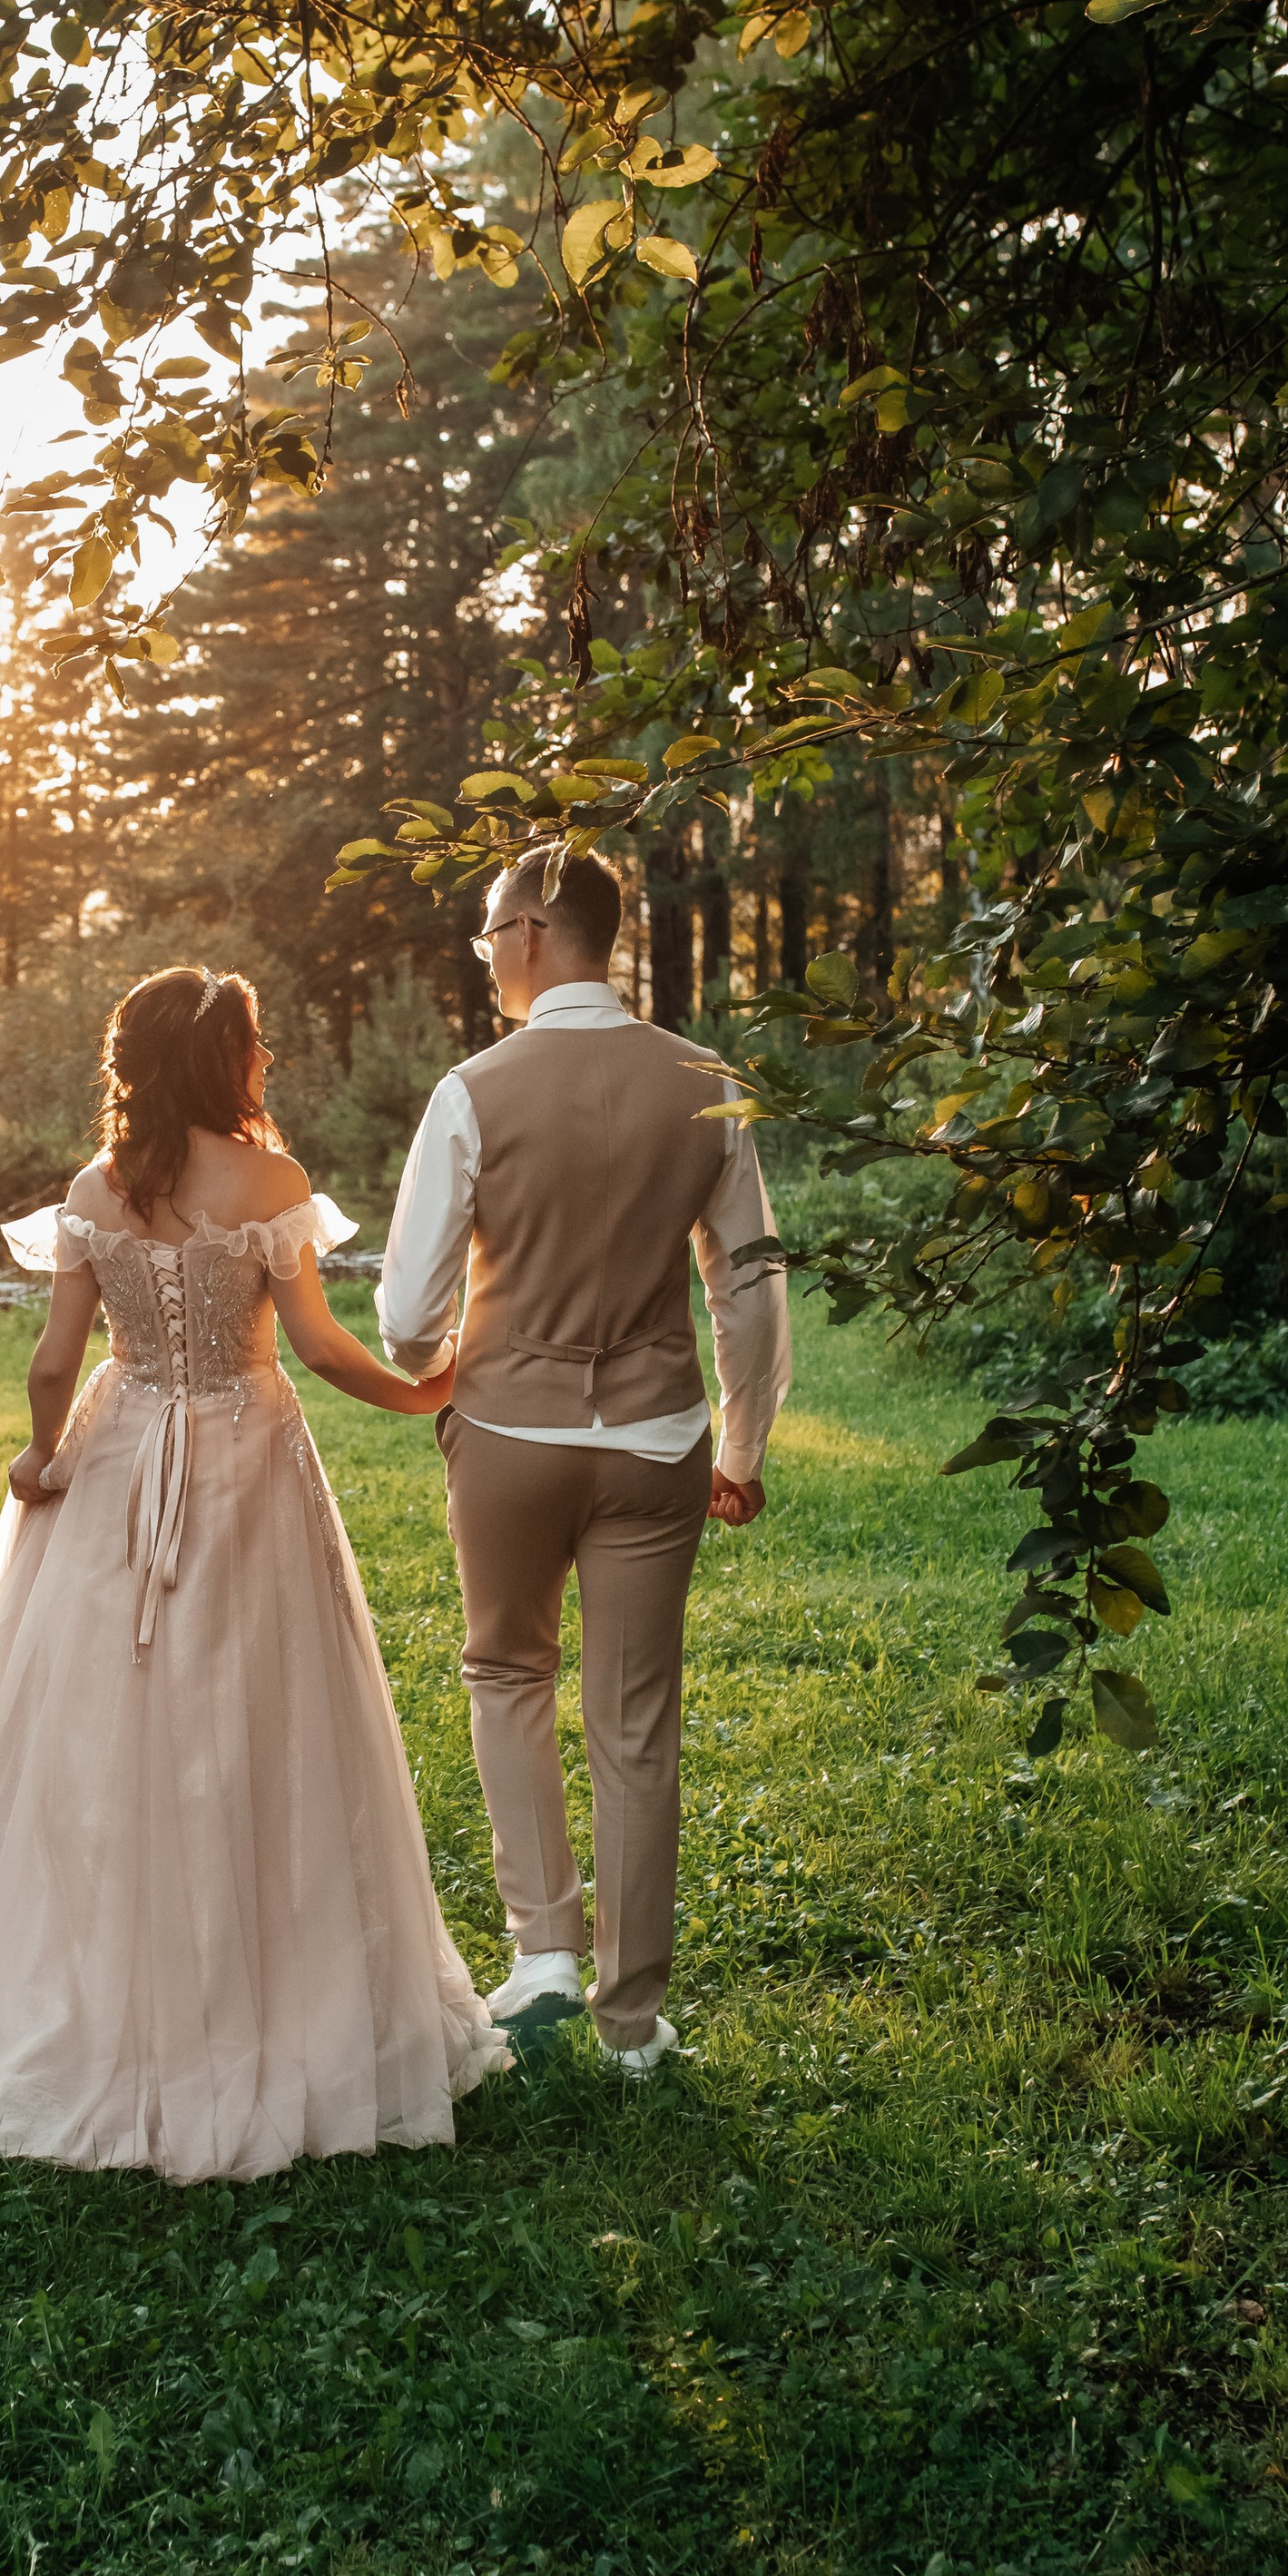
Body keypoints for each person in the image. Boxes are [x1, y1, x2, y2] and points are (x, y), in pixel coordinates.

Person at [0, 965, 508, 2182]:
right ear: (219, 1058)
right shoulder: (271, 1182)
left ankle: (85, 1984)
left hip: (122, 1450)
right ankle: (265, 1991)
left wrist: (40, 1456)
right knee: (259, 1713)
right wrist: (427, 1385)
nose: (266, 1062)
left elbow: (51, 1357)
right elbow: (322, 1348)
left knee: (91, 1722)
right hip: (247, 1453)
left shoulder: (96, 1189)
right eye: (255, 1044)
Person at [378, 846, 790, 2069]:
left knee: (508, 1676)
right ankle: (633, 2023)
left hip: (506, 1430)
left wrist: (445, 1373)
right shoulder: (710, 1083)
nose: (488, 956)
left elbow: (407, 1309)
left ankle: (544, 1949)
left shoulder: (474, 1090)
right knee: (636, 1723)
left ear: (535, 929)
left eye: (490, 933)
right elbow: (750, 1290)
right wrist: (747, 1442)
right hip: (658, 1437)